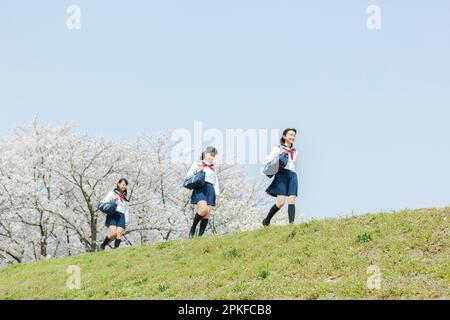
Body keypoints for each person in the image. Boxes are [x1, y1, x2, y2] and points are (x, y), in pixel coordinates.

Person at [263, 128, 299, 226]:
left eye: (294, 135)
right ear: (284, 136)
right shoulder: (278, 148)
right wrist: (277, 156)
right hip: (281, 174)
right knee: (281, 203)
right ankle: (266, 220)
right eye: (290, 135)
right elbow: (268, 159)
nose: (292, 137)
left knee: (292, 199)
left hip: (292, 175)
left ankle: (291, 224)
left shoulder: (295, 151)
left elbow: (294, 164)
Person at [186, 146, 220, 237]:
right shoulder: (197, 163)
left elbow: (216, 182)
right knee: (203, 209)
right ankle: (193, 228)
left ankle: (200, 237)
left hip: (210, 190)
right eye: (210, 154)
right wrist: (198, 170)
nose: (211, 157)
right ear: (205, 154)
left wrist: (217, 196)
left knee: (206, 214)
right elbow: (188, 175)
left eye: (213, 156)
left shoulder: (213, 167)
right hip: (200, 187)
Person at [99, 178, 130, 250]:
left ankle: (115, 250)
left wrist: (126, 222)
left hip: (121, 216)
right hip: (113, 214)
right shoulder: (112, 193)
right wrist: (113, 199)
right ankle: (103, 245)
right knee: (113, 233)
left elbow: (126, 210)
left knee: (119, 233)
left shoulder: (125, 198)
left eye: (125, 185)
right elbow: (104, 201)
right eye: (123, 184)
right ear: (118, 184)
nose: (124, 186)